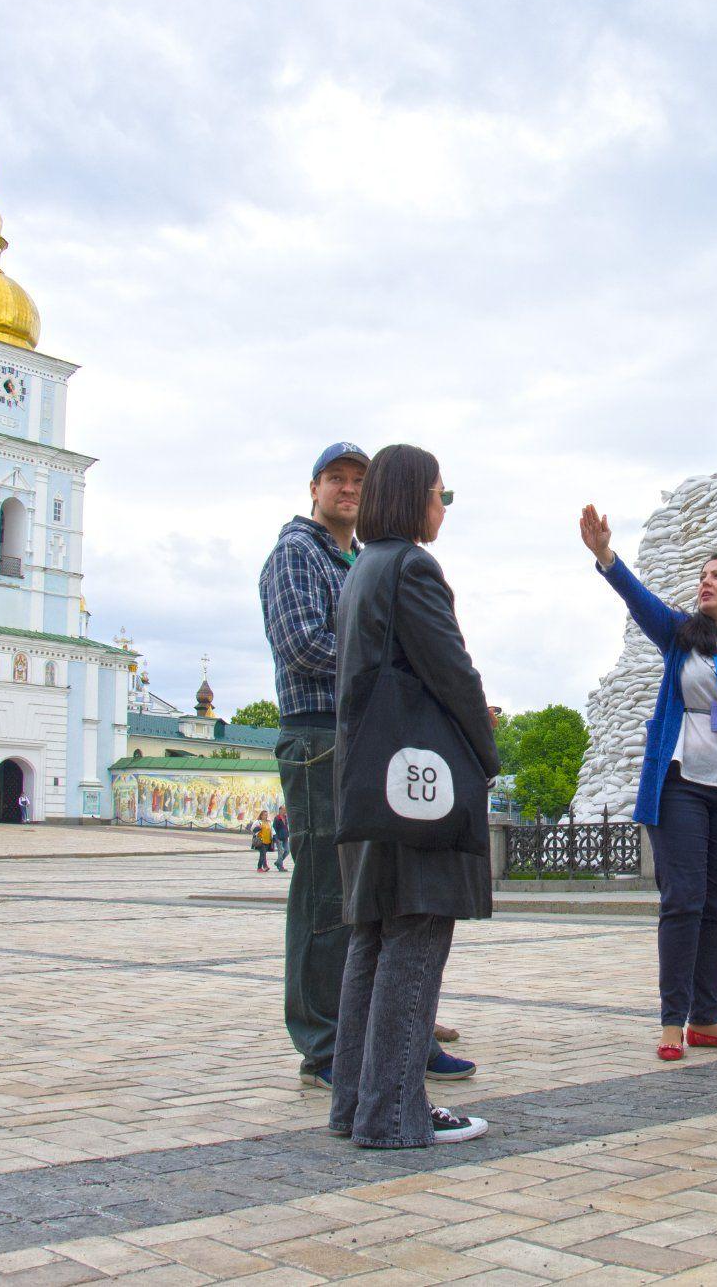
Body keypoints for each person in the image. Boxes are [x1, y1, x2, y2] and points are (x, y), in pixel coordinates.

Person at [261, 441, 474, 1090]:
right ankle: (325, 1044)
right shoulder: (296, 553)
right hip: (321, 735)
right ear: (313, 487)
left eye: (360, 479)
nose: (349, 489)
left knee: (377, 897)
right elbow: (304, 647)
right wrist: (394, 664)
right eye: (337, 479)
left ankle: (395, 1033)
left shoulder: (363, 558)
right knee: (330, 894)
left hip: (368, 735)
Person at [579, 505, 717, 1063]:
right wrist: (606, 555)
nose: (705, 581)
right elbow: (638, 599)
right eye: (702, 575)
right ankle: (672, 1020)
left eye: (716, 575)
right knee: (684, 899)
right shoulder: (681, 634)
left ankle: (707, 1016)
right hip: (684, 783)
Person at [329, 445, 495, 1146]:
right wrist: (487, 753)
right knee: (418, 933)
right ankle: (396, 1111)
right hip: (417, 784)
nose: (443, 506)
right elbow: (452, 674)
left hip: (372, 780)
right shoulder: (412, 567)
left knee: (374, 937)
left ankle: (355, 1106)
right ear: (412, 498)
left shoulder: (361, 568)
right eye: (440, 493)